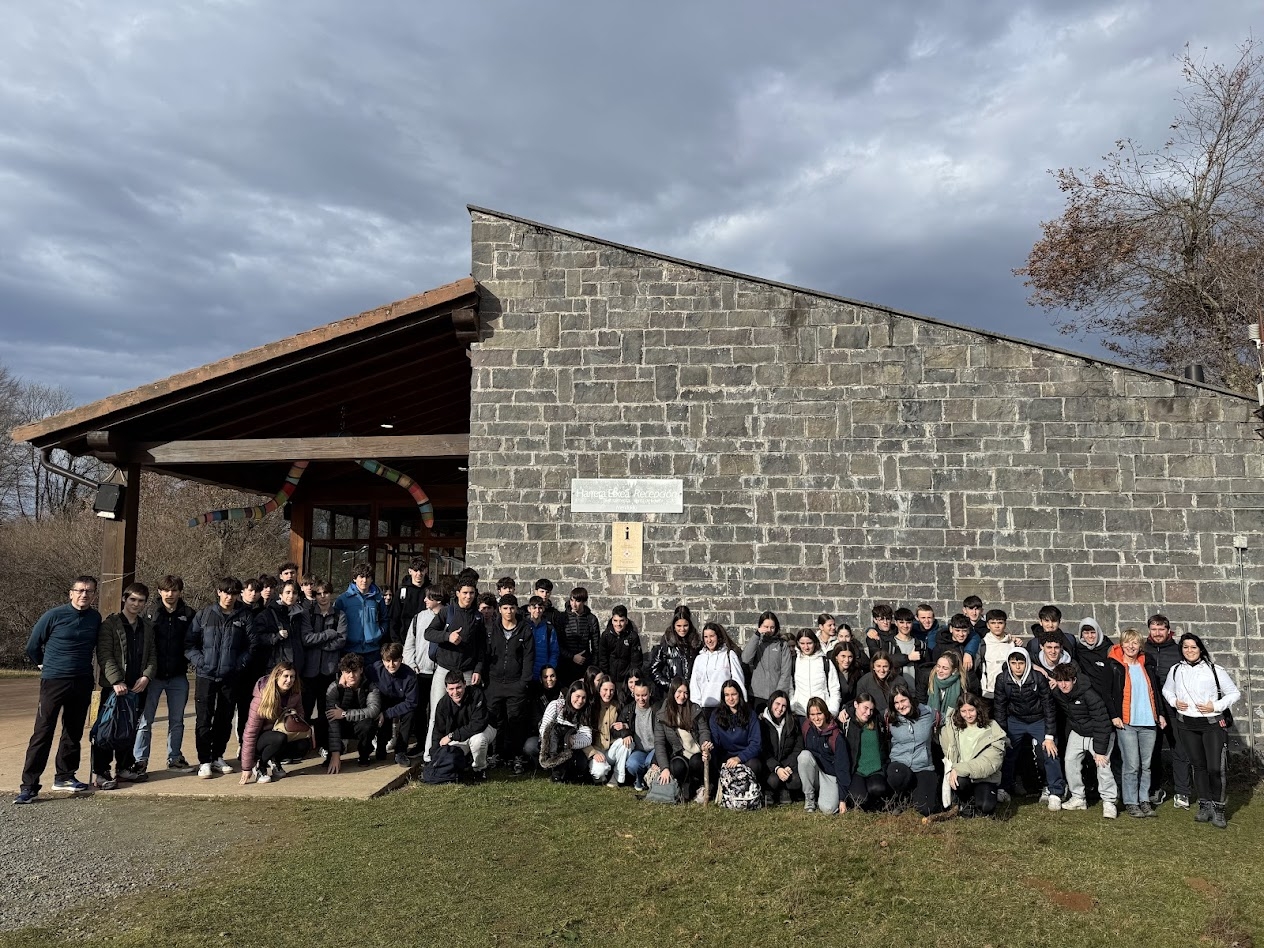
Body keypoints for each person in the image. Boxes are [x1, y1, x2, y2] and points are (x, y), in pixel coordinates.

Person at [1162, 633, 1240, 829]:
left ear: (1200, 649)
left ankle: (1219, 809)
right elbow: (1167, 690)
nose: (1189, 651)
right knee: (1198, 767)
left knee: (1215, 768)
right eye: (1185, 647)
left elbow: (1234, 693)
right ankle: (1205, 805)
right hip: (1186, 725)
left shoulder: (1214, 670)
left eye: (1193, 647)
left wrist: (1216, 706)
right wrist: (1174, 701)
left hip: (1212, 724)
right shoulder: (1175, 670)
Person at [185, 577, 253, 779]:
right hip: (205, 675)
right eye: (226, 592)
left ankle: (217, 756)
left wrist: (238, 664)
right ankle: (204, 760)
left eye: (233, 593)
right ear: (219, 592)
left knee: (225, 718)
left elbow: (252, 645)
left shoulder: (244, 616)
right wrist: (201, 661)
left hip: (230, 676)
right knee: (204, 718)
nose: (229, 597)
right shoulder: (204, 615)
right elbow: (189, 644)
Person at [91, 582, 156, 789]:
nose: (136, 604)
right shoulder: (110, 625)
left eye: (141, 601)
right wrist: (116, 681)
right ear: (124, 599)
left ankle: (124, 768)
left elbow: (152, 655)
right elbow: (104, 654)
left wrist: (146, 677)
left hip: (137, 688)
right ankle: (101, 773)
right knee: (106, 730)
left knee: (129, 729)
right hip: (114, 689)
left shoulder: (147, 627)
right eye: (132, 599)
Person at [134, 574, 196, 775]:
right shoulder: (149, 613)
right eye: (166, 590)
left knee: (177, 721)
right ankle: (140, 760)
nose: (170, 594)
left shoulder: (189, 614)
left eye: (174, 590)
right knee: (145, 721)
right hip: (152, 676)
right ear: (159, 591)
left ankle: (174, 757)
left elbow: (194, 641)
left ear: (180, 592)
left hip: (178, 675)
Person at [422, 570, 486, 758]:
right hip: (444, 670)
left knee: (467, 715)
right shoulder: (446, 612)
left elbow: (482, 647)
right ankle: (430, 755)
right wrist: (447, 636)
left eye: (471, 593)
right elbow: (428, 633)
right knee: (436, 713)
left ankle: (462, 756)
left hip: (467, 672)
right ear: (457, 593)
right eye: (465, 593)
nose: (468, 596)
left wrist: (478, 669)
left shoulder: (478, 617)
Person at [992, 647, 1064, 810]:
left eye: (1021, 663)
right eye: (1013, 663)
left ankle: (1055, 791)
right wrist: (1002, 733)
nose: (1017, 667)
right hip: (1015, 720)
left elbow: (1049, 707)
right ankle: (1003, 787)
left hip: (1038, 719)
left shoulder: (1038, 678)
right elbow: (999, 708)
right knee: (1005, 750)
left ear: (1027, 663)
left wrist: (1049, 736)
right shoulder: (1002, 679)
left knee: (1050, 751)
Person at [1049, 663, 1119, 819]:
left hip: (1099, 732)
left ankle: (1109, 802)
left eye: (1067, 681)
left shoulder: (1089, 694)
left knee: (1103, 765)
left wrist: (1100, 751)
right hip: (1078, 731)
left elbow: (1102, 722)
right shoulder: (1058, 693)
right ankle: (1078, 798)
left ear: (1074, 680)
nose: (1063, 685)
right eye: (1060, 681)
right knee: (1070, 761)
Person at [1107, 628, 1163, 818]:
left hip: (1148, 722)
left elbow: (1155, 691)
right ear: (1121, 644)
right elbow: (1108, 693)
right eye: (1127, 642)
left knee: (1146, 765)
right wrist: (1114, 715)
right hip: (1127, 722)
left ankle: (1144, 799)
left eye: (1135, 642)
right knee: (1132, 765)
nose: (1131, 646)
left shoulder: (1146, 664)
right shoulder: (1114, 665)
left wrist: (1160, 714)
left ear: (1140, 646)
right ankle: (1131, 801)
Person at [485, 594, 535, 774]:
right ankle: (496, 754)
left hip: (516, 684)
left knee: (516, 722)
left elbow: (529, 657)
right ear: (499, 610)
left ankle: (517, 757)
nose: (509, 611)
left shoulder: (525, 630)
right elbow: (485, 654)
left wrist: (523, 682)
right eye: (505, 608)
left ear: (516, 609)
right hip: (494, 683)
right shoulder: (492, 628)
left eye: (512, 608)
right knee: (495, 721)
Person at [1143, 614, 1189, 809]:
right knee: (1152, 752)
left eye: (1161, 629)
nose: (1157, 633)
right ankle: (1155, 789)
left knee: (1179, 750)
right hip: (1150, 709)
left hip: (1174, 709)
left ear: (1168, 630)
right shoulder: (1143, 650)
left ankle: (1182, 791)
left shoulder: (1178, 651)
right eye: (1154, 629)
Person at [239, 662, 309, 784]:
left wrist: (292, 718)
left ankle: (275, 760)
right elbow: (250, 732)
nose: (289, 680)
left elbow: (301, 715)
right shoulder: (262, 697)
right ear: (277, 676)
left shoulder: (295, 694)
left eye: (292, 677)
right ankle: (260, 765)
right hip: (261, 739)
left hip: (281, 732)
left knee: (303, 744)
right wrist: (246, 767)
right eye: (285, 676)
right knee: (279, 738)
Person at [299, 581, 347, 758]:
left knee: (325, 711)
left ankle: (323, 744)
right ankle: (302, 745)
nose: (323, 597)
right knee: (305, 709)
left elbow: (341, 640)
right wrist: (329, 634)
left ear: (331, 594)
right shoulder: (308, 614)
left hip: (329, 670)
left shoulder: (339, 615)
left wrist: (320, 645)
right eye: (319, 594)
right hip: (309, 671)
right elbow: (306, 639)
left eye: (326, 593)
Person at [941, 693, 1007, 818]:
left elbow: (990, 762)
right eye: (963, 711)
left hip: (985, 777)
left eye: (971, 710)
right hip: (963, 778)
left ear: (978, 709)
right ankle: (966, 803)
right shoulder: (952, 729)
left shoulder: (992, 729)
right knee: (960, 781)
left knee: (986, 807)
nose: (968, 715)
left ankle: (985, 796)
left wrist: (959, 768)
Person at [653, 678, 712, 802]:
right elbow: (659, 743)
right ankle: (682, 786)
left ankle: (699, 786)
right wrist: (664, 768)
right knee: (677, 766)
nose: (682, 696)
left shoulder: (695, 709)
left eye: (685, 693)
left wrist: (705, 744)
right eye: (679, 692)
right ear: (672, 692)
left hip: (697, 752)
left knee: (696, 762)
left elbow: (704, 731)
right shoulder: (662, 714)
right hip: (679, 753)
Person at [403, 586, 445, 755]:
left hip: (441, 672)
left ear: (438, 600)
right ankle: (421, 743)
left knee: (438, 710)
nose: (425, 600)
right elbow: (409, 643)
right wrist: (411, 664)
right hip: (420, 671)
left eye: (429, 597)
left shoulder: (450, 616)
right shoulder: (419, 617)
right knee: (419, 710)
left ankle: (437, 744)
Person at [886, 682, 938, 817]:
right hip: (900, 763)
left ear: (910, 698)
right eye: (896, 703)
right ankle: (901, 797)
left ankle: (914, 795)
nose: (900, 706)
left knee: (926, 809)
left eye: (903, 700)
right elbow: (868, 711)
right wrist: (847, 710)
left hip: (923, 765)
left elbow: (947, 717)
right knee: (897, 775)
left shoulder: (927, 713)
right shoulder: (890, 717)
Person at [431, 672, 496, 780]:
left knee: (477, 741)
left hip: (484, 729)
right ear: (446, 689)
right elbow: (438, 732)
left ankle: (479, 770)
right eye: (451, 689)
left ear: (465, 684)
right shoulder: (443, 704)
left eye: (458, 687)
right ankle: (466, 764)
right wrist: (434, 758)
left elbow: (478, 724)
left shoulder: (476, 694)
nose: (455, 692)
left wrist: (452, 736)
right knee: (450, 753)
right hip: (460, 734)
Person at [325, 653, 382, 772]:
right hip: (341, 725)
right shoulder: (334, 688)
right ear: (342, 672)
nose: (351, 675)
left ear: (361, 670)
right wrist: (336, 754)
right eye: (347, 672)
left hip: (359, 723)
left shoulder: (370, 686)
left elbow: (373, 710)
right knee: (322, 724)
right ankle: (332, 752)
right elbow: (332, 720)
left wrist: (344, 714)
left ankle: (364, 754)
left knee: (368, 724)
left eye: (355, 671)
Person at [707, 679, 762, 796]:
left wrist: (739, 758)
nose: (730, 698)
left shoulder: (750, 714)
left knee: (755, 764)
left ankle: (747, 792)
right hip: (724, 757)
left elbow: (756, 744)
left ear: (739, 695)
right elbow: (715, 742)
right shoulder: (716, 715)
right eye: (727, 695)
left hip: (745, 757)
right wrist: (709, 752)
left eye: (734, 694)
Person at [797, 696, 851, 815]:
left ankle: (824, 795)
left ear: (825, 713)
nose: (816, 718)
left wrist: (842, 799)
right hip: (814, 771)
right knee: (804, 756)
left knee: (828, 809)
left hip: (830, 775)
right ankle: (809, 798)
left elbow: (842, 767)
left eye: (819, 713)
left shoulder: (836, 736)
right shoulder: (806, 727)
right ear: (808, 716)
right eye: (812, 714)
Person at [373, 642, 420, 766]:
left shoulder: (409, 675)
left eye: (395, 660)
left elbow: (411, 702)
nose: (391, 665)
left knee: (410, 715)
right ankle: (380, 746)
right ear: (382, 660)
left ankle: (400, 751)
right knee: (379, 713)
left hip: (402, 703)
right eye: (387, 661)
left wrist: (387, 714)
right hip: (383, 702)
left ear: (401, 659)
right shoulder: (375, 669)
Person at [841, 695, 890, 811]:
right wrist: (846, 708)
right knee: (858, 798)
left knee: (878, 788)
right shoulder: (847, 723)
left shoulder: (877, 720)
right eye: (865, 708)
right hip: (857, 771)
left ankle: (878, 801)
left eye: (871, 709)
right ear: (856, 705)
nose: (868, 713)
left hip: (875, 769)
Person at [539, 681, 593, 783]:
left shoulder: (585, 712)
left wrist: (569, 742)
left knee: (581, 764)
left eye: (583, 698)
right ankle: (552, 768)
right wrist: (556, 742)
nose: (580, 701)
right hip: (551, 742)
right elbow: (544, 728)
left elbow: (587, 738)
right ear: (570, 694)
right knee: (531, 747)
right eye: (577, 696)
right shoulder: (556, 705)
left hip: (571, 745)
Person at [255, 580, 310, 671]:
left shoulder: (300, 615)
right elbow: (257, 637)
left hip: (296, 667)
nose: (291, 596)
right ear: (280, 594)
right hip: (276, 667)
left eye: (294, 593)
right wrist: (276, 636)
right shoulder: (267, 615)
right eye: (287, 592)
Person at [758, 690, 802, 805]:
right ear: (771, 703)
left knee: (795, 781)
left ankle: (785, 790)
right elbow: (763, 751)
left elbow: (798, 747)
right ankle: (769, 791)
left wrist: (788, 766)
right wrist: (777, 768)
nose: (780, 708)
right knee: (773, 780)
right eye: (777, 704)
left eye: (784, 706)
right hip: (770, 766)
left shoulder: (792, 721)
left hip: (787, 765)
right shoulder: (762, 723)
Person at [689, 622, 746, 709]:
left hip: (725, 707)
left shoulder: (729, 655)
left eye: (712, 636)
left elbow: (738, 681)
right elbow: (695, 684)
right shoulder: (699, 659)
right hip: (704, 708)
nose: (709, 640)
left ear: (718, 636)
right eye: (706, 637)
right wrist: (696, 705)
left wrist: (742, 703)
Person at [650, 606, 701, 700]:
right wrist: (671, 686)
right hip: (672, 695)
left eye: (685, 625)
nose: (682, 629)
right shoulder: (666, 644)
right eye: (679, 626)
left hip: (693, 693)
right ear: (674, 625)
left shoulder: (697, 645)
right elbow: (655, 671)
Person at [336, 564, 386, 660]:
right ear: (354, 579)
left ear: (372, 579)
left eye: (368, 577)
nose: (365, 580)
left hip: (372, 650)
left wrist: (380, 633)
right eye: (361, 577)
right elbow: (335, 622)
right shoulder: (343, 599)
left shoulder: (378, 598)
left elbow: (385, 618)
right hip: (349, 649)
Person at [585, 677, 629, 785]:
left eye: (611, 690)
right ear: (599, 689)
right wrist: (592, 753)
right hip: (596, 749)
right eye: (605, 690)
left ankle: (618, 776)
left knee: (628, 742)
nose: (608, 694)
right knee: (599, 772)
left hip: (612, 749)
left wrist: (625, 727)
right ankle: (602, 773)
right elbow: (582, 735)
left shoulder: (618, 705)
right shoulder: (591, 707)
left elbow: (628, 723)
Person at [618, 679, 659, 791]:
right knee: (631, 764)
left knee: (650, 762)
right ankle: (639, 778)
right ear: (633, 694)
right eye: (637, 695)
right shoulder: (629, 709)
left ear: (650, 693)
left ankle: (650, 780)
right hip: (639, 749)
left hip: (655, 748)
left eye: (644, 695)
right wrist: (625, 733)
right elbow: (617, 727)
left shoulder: (657, 708)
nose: (641, 699)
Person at [789, 629, 840, 717]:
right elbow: (790, 688)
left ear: (815, 642)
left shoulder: (825, 662)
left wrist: (833, 711)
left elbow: (834, 688)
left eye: (809, 643)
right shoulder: (794, 662)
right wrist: (792, 706)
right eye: (802, 643)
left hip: (822, 714)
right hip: (800, 713)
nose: (806, 647)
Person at [559, 587, 601, 684]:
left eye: (577, 601)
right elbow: (558, 643)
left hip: (585, 664)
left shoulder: (591, 619)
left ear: (584, 601)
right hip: (566, 665)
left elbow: (596, 646)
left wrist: (592, 667)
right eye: (572, 600)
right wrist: (572, 657)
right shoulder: (562, 618)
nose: (573, 604)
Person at [523, 665, 562, 763]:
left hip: (560, 735)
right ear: (541, 679)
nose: (549, 679)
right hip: (541, 735)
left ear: (556, 677)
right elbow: (535, 719)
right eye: (545, 677)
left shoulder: (563, 694)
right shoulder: (536, 695)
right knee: (529, 746)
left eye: (552, 676)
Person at [597, 605, 643, 686]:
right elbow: (602, 658)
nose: (618, 624)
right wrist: (606, 676)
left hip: (626, 679)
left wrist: (631, 678)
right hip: (610, 677)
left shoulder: (632, 637)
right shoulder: (606, 635)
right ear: (612, 620)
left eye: (621, 621)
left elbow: (636, 660)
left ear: (626, 621)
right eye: (615, 620)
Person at [389, 558, 431, 646]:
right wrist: (397, 642)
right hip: (404, 640)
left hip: (426, 640)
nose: (419, 574)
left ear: (426, 570)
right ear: (410, 571)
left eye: (421, 570)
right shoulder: (402, 592)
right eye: (415, 570)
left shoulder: (431, 591)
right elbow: (394, 619)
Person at [527, 595, 560, 682]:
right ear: (529, 609)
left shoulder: (549, 628)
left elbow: (554, 651)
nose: (537, 611)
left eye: (540, 608)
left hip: (543, 674)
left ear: (544, 609)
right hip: (527, 673)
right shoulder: (524, 627)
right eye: (534, 608)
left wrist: (549, 668)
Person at [831, 642, 865, 707]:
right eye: (843, 656)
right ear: (836, 657)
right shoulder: (830, 672)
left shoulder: (858, 673)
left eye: (850, 657)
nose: (847, 660)